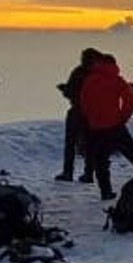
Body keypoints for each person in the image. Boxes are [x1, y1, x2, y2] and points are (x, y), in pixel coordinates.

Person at [80, 53, 133, 201]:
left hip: (96, 127)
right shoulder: (116, 80)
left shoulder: (90, 81)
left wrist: (91, 118)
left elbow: (84, 102)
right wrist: (123, 118)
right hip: (115, 125)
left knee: (101, 161)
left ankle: (106, 191)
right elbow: (128, 99)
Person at [55, 48, 100, 183]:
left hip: (79, 111)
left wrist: (65, 89)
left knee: (72, 143)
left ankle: (69, 172)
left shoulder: (80, 72)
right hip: (90, 112)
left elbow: (71, 91)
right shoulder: (96, 74)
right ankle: (88, 173)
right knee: (88, 144)